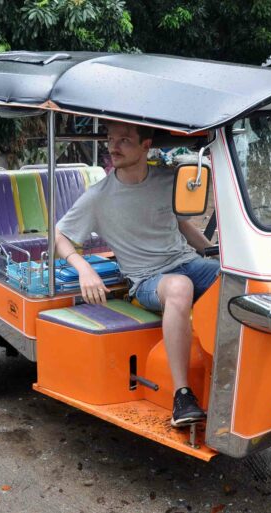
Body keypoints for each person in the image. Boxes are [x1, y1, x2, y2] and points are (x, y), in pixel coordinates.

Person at [55, 121, 219, 427]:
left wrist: (214, 253)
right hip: (147, 280)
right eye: (111, 140)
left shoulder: (167, 179)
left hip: (186, 261)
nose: (114, 147)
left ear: (146, 146)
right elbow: (60, 236)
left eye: (124, 141)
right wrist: (83, 267)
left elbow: (181, 224)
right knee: (180, 287)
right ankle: (182, 397)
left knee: (238, 277)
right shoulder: (99, 196)